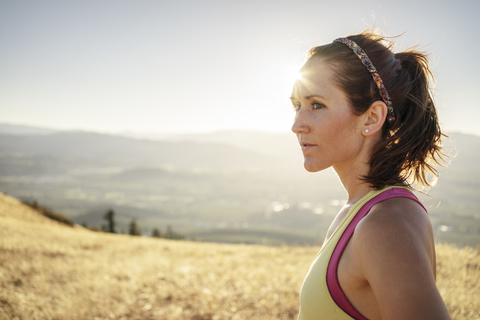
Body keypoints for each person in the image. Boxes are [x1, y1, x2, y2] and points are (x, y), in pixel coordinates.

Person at [290, 31, 451, 320]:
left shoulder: (385, 224)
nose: (297, 124)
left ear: (372, 118)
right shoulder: (360, 211)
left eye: (316, 105)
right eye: (296, 106)